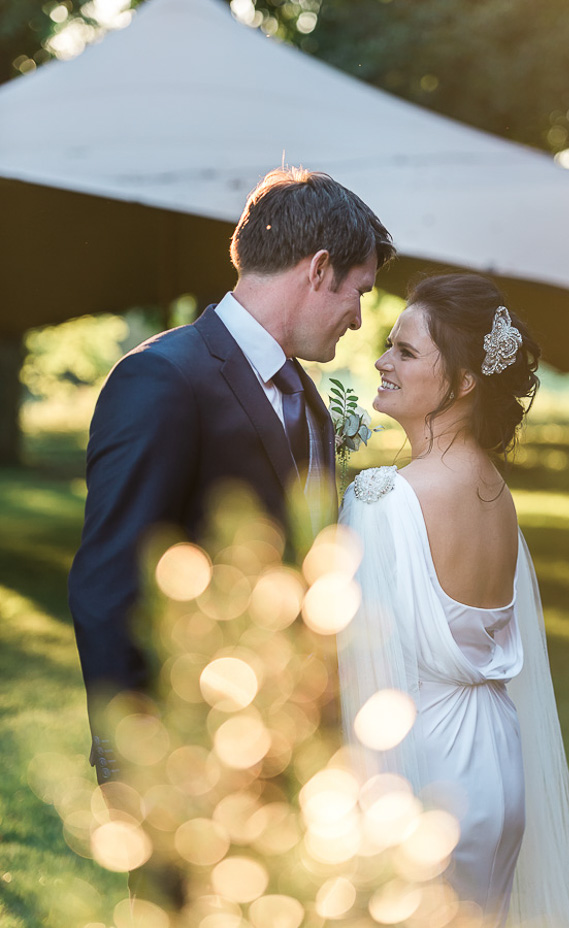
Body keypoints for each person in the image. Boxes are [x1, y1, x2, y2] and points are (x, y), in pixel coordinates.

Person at [68, 166, 394, 784]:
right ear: (319, 269)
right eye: (361, 291)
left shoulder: (309, 401)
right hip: (182, 758)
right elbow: (109, 580)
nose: (357, 318)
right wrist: (129, 754)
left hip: (285, 748)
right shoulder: (163, 378)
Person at [337, 274, 569, 927]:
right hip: (498, 761)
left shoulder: (382, 500)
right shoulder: (495, 492)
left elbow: (366, 676)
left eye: (406, 352)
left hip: (427, 768)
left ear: (464, 382)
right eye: (388, 346)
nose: (381, 361)